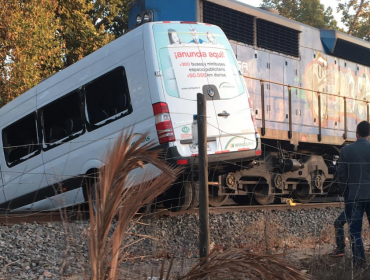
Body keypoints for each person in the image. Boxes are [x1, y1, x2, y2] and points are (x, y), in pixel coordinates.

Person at [337, 120, 370, 267]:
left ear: (356, 133)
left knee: (355, 231)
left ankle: (359, 262)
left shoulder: (346, 150)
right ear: (369, 134)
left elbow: (341, 175)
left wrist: (346, 192)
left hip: (354, 196)